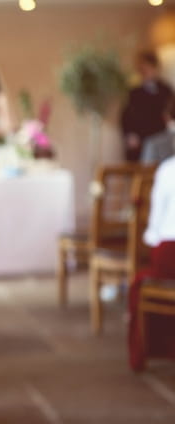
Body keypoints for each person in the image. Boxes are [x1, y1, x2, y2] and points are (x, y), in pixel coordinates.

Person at [128, 157, 175, 370]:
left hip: (169, 250)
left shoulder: (168, 169)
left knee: (143, 280)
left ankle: (155, 348)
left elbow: (155, 225)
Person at [121, 50, 173, 163]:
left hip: (161, 135)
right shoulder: (134, 92)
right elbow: (126, 115)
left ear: (155, 68)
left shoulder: (166, 90)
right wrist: (130, 134)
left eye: (147, 68)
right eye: (142, 69)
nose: (144, 72)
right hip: (140, 138)